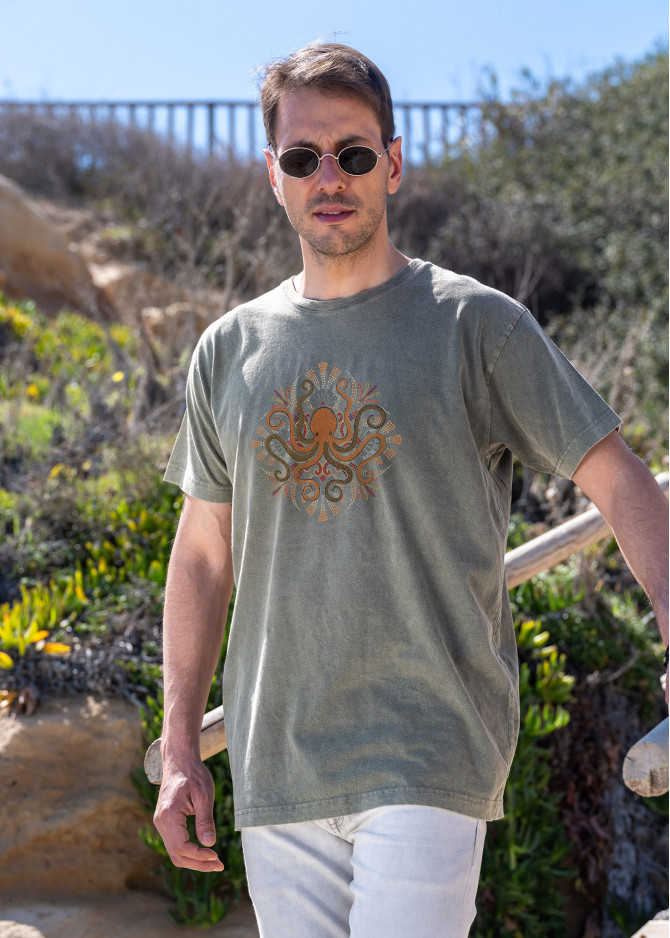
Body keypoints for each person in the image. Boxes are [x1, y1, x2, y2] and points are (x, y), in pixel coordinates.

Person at [153, 42, 669, 938]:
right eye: (303, 158)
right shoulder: (227, 351)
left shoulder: (475, 324)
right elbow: (201, 556)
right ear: (272, 174)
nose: (329, 177)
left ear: (392, 163)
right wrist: (177, 748)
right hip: (278, 763)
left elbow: (620, 479)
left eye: (353, 153)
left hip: (429, 744)